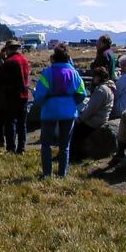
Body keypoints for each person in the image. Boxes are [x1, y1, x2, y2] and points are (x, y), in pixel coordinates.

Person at [34, 44, 87, 177]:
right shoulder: (74, 74)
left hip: (49, 111)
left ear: (54, 58)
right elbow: (82, 93)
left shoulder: (47, 73)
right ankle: (62, 173)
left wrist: (42, 103)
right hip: (68, 111)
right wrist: (72, 103)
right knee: (65, 145)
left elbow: (40, 94)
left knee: (46, 144)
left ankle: (47, 174)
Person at [70, 67, 115, 160]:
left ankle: (74, 155)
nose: (93, 78)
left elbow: (91, 109)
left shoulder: (101, 90)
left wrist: (80, 119)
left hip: (95, 120)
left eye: (94, 76)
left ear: (98, 77)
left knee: (76, 130)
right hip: (102, 117)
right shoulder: (108, 88)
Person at [1, 40, 31, 154]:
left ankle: (10, 147)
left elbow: (3, 79)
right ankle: (21, 148)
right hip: (24, 95)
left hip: (12, 95)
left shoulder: (9, 62)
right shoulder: (25, 60)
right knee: (22, 123)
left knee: (10, 122)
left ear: (8, 49)